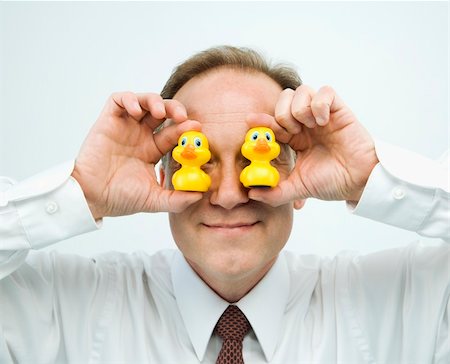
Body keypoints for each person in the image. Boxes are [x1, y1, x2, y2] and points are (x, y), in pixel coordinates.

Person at [0, 46, 448, 364]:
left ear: (300, 178)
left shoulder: (407, 303)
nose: (231, 195)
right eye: (203, 159)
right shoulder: (58, 308)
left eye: (260, 158)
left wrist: (371, 174)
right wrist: (80, 189)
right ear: (163, 175)